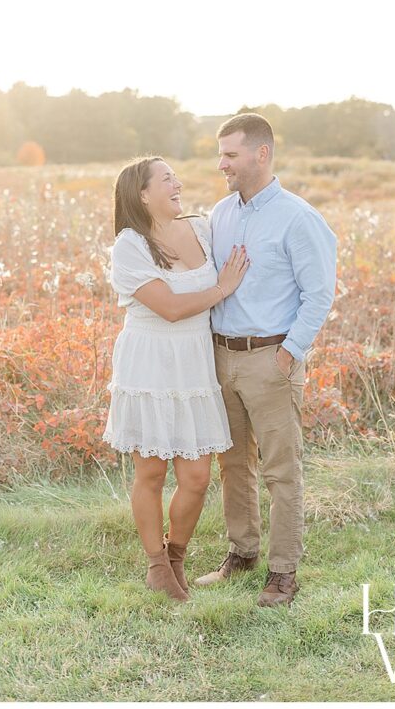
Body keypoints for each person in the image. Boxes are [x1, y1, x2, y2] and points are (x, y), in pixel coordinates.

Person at [196, 113, 337, 607]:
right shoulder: (220, 214)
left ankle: (283, 573)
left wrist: (288, 354)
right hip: (222, 355)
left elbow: (320, 295)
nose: (221, 164)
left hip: (271, 359)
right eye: (221, 154)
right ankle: (243, 552)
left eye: (230, 154)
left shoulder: (299, 218)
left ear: (262, 154)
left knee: (281, 469)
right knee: (233, 464)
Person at [103, 156, 249, 601]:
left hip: (193, 360)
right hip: (150, 359)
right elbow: (167, 308)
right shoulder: (129, 245)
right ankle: (156, 565)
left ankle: (176, 556)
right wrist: (222, 289)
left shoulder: (202, 228)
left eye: (175, 177)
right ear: (143, 194)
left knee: (197, 476)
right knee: (150, 471)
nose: (178, 183)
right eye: (167, 179)